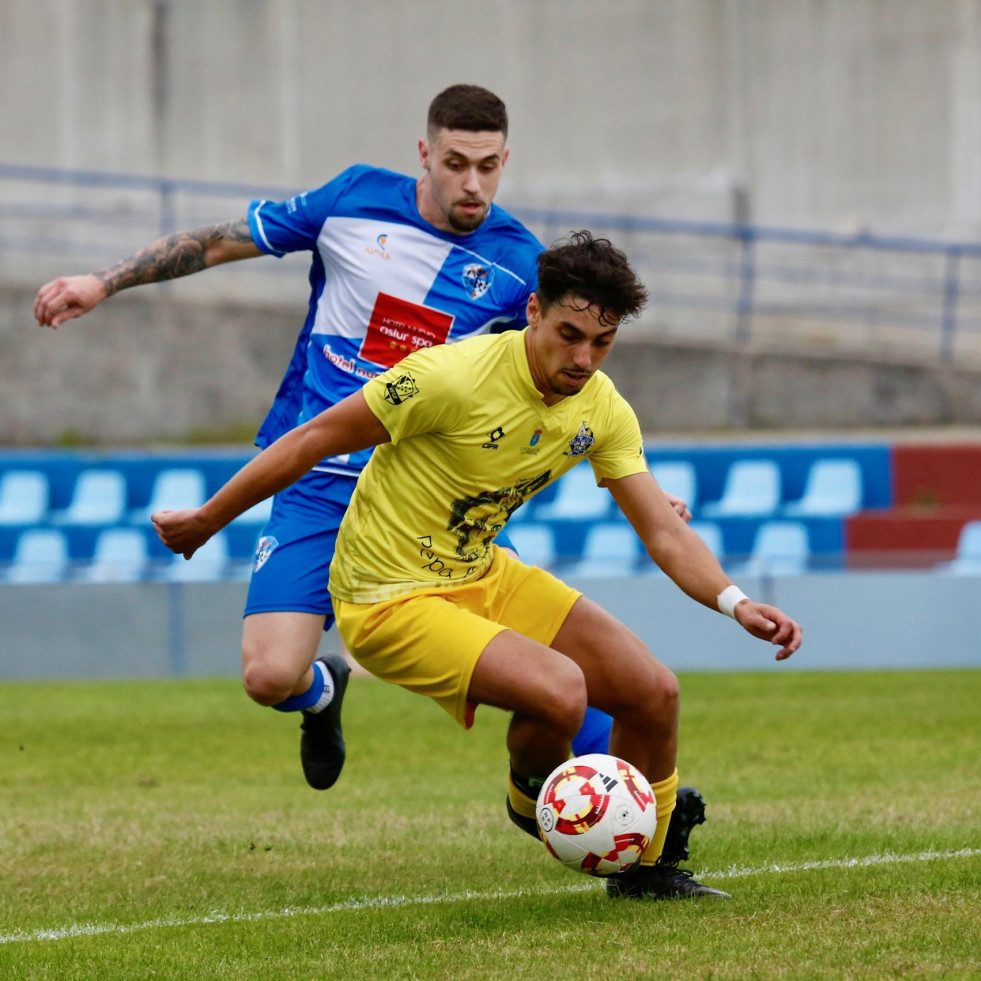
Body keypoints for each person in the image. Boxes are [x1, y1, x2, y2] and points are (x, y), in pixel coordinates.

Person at [33, 84, 691, 804]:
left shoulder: (519, 267)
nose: (472, 182)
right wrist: (104, 280)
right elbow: (221, 239)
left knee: (550, 671)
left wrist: (643, 491)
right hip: (317, 473)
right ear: (424, 154)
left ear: (506, 161)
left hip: (420, 504)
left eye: (489, 166)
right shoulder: (352, 199)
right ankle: (321, 690)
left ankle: (619, 800)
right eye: (455, 162)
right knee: (268, 677)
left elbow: (563, 382)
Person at [152, 231, 802, 900]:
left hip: (479, 573)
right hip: (386, 596)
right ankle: (538, 808)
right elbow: (314, 437)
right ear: (533, 313)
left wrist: (734, 601)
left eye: (600, 343)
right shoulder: (449, 376)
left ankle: (647, 869)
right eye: (568, 333)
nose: (582, 358)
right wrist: (208, 518)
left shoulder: (601, 406)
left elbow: (663, 531)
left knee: (654, 691)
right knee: (561, 690)